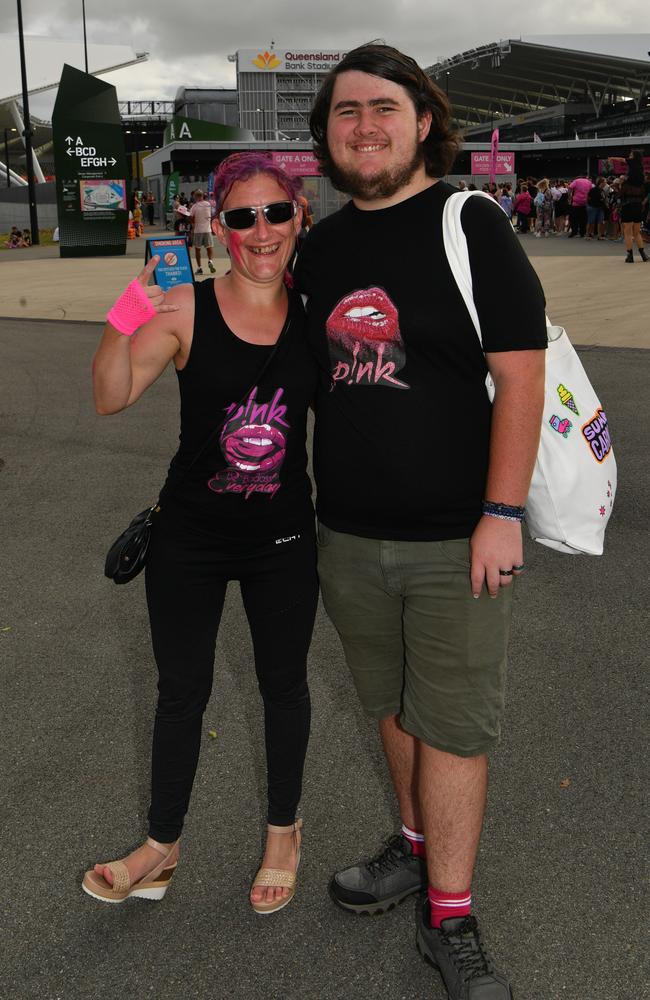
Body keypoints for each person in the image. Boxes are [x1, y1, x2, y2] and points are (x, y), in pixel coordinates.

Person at [294, 42, 546, 1000]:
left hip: (459, 535)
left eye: (383, 108)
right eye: (346, 111)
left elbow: (522, 376)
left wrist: (501, 512)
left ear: (423, 120)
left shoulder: (468, 220)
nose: (364, 126)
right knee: (391, 706)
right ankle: (411, 845)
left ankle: (452, 916)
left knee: (454, 725)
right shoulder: (321, 246)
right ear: (326, 133)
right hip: (348, 534)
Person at [83, 153, 318, 915]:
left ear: (298, 218)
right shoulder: (184, 307)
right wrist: (122, 319)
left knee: (283, 686)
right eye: (242, 216)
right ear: (219, 227)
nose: (260, 231)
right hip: (190, 535)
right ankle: (160, 846)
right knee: (181, 692)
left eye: (275, 213)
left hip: (283, 537)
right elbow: (111, 397)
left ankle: (284, 833)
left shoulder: (319, 314)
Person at [620, 150, 649, 262]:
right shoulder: (642, 181)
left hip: (628, 206)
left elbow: (620, 195)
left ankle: (630, 255)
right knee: (637, 233)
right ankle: (643, 255)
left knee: (628, 232)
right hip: (638, 206)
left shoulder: (626, 183)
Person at [189, 189, 216, 275]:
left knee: (198, 249)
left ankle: (199, 268)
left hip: (198, 231)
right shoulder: (208, 204)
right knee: (209, 247)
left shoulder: (194, 206)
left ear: (196, 197)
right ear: (202, 196)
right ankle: (210, 261)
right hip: (207, 230)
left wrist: (192, 222)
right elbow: (211, 216)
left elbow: (191, 218)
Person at [568, 172, 592, 237]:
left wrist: (569, 197)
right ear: (586, 176)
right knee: (583, 219)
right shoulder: (589, 182)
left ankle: (574, 232)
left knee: (574, 218)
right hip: (585, 203)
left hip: (576, 202)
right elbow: (591, 191)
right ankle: (582, 232)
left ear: (580, 175)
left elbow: (570, 187)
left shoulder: (576, 181)